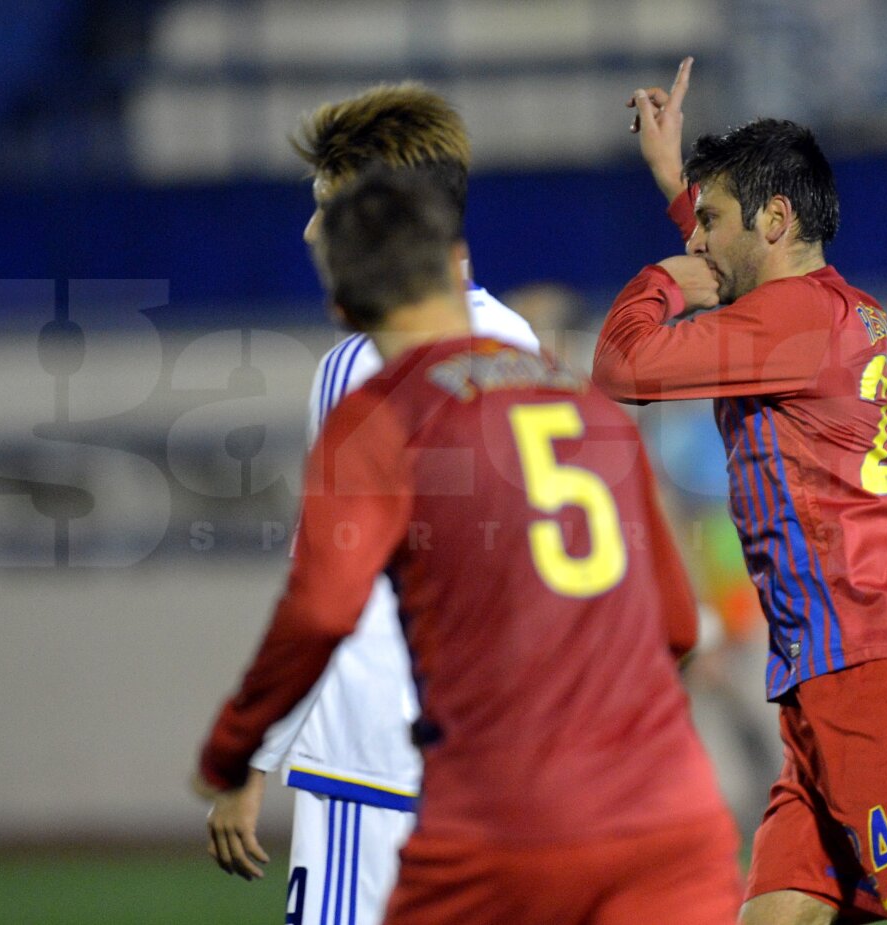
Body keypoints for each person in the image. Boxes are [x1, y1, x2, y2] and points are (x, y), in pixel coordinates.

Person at [197, 167, 741, 925]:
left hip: (506, 822)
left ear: (341, 303)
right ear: (454, 261)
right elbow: (677, 627)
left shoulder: (381, 416)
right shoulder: (589, 406)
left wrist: (232, 747)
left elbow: (321, 611)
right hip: (667, 816)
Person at [592, 57, 887, 925]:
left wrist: (660, 282)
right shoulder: (815, 310)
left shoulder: (789, 320)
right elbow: (736, 270)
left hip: (866, 659)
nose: (696, 241)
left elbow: (623, 363)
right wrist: (675, 182)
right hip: (831, 667)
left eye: (710, 221)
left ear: (776, 218)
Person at [191, 83, 539, 925]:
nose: (311, 232)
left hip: (374, 762)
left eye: (325, 209)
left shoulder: (362, 366)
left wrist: (251, 757)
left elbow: (327, 587)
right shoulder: (523, 349)